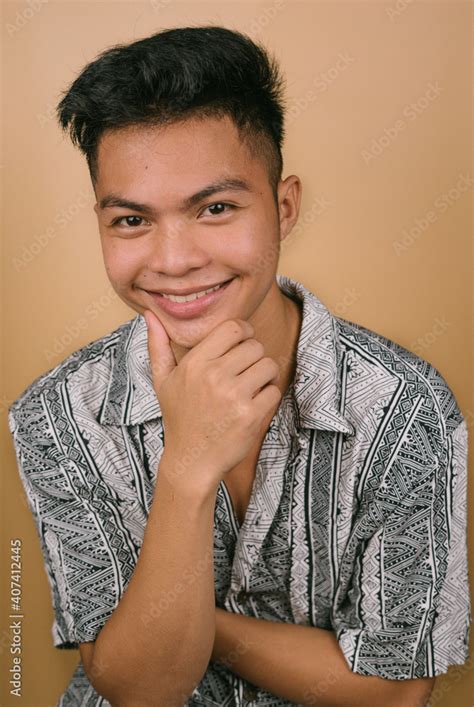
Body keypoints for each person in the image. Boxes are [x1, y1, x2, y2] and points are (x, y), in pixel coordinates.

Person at [7, 25, 470, 707]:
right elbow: (138, 688)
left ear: (283, 208)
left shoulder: (402, 407)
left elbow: (395, 689)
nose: (173, 259)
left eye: (215, 208)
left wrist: (193, 626)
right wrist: (188, 468)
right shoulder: (58, 413)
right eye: (132, 221)